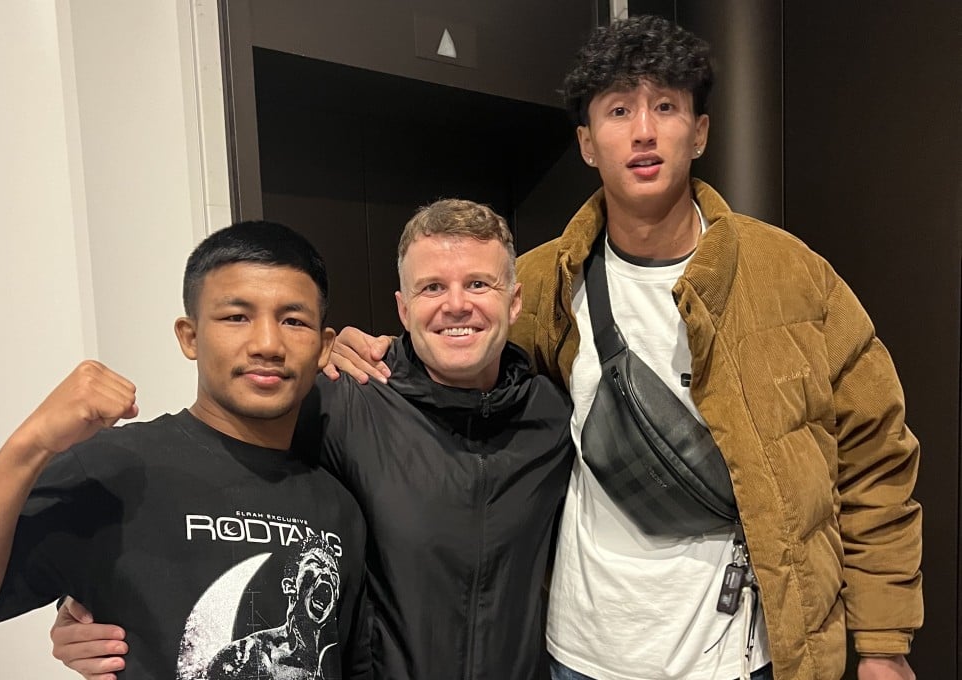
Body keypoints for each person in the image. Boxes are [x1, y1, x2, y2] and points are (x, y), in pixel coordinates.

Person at [290, 14, 924, 680]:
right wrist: (360, 352)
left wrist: (883, 642)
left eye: (667, 106)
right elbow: (452, 350)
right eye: (619, 109)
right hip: (585, 656)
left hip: (750, 655)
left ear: (700, 132)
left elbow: (875, 454)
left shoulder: (793, 278)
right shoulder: (538, 282)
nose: (644, 130)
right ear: (589, 143)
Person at [50, 199, 575, 680]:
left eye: (479, 284)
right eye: (432, 287)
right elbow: (218, 485)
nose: (456, 305)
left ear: (514, 301)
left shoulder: (554, 416)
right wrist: (93, 602)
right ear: (402, 307)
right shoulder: (344, 398)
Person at [0, 221, 371, 680]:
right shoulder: (114, 468)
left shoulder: (339, 506)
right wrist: (30, 445)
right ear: (189, 336)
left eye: (293, 320)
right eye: (236, 316)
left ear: (324, 347)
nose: (267, 344)